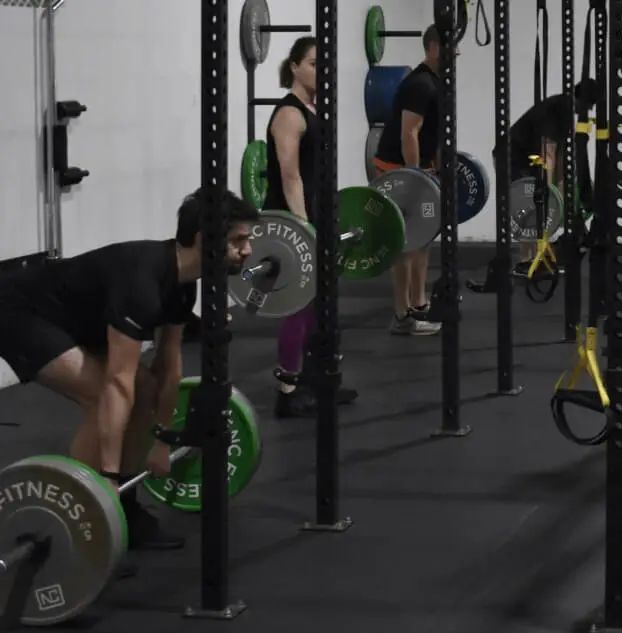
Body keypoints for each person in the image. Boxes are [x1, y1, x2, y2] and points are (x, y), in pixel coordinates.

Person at [0, 186, 259, 553]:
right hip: (19, 312)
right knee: (99, 395)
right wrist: (108, 474)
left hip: (73, 320)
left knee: (146, 388)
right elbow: (117, 384)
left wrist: (161, 439)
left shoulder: (182, 286)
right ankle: (83, 522)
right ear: (205, 240)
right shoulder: (142, 283)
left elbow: (168, 367)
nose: (247, 250)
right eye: (239, 240)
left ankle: (125, 509)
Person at [265, 36, 359, 413]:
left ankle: (317, 380)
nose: (322, 71)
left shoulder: (312, 109)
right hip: (294, 217)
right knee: (298, 304)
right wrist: (303, 227)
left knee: (322, 304)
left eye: (326, 65)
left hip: (316, 214)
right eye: (314, 63)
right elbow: (290, 176)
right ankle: (287, 392)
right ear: (294, 67)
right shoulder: (289, 113)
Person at [372, 26, 444, 336]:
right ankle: (402, 316)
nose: (457, 53)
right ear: (433, 46)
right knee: (402, 243)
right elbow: (409, 133)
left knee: (423, 237)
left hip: (421, 170)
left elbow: (434, 133)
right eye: (450, 46)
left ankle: (419, 303)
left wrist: (435, 170)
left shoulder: (436, 83)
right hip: (396, 171)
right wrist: (414, 178)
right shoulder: (420, 84)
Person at [501, 79, 601, 274]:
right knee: (530, 203)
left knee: (539, 201)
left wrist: (562, 184)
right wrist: (548, 191)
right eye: (588, 106)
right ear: (581, 99)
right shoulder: (561, 107)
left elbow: (561, 154)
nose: (587, 111)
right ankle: (526, 261)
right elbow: (549, 151)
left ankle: (533, 259)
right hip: (512, 156)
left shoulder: (566, 110)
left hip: (529, 157)